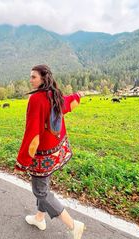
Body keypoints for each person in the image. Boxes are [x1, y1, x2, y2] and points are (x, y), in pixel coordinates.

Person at [14, 64, 86, 239]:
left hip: (42, 156)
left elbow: (32, 134)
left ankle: (73, 225)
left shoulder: (36, 99)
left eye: (33, 77)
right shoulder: (54, 94)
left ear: (44, 78)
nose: (30, 80)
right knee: (43, 186)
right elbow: (67, 103)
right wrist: (78, 96)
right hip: (56, 154)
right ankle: (40, 218)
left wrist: (22, 162)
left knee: (41, 192)